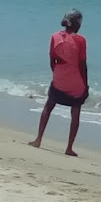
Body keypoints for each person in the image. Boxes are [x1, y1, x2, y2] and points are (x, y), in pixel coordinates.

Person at [31, 9, 88, 155]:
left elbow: (52, 60)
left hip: (59, 77)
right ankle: (69, 148)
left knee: (48, 106)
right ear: (77, 24)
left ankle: (38, 139)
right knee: (75, 113)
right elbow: (82, 64)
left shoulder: (55, 36)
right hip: (75, 81)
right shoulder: (81, 40)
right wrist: (85, 84)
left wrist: (58, 74)